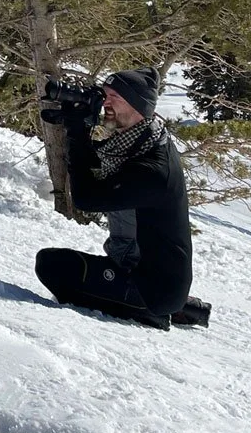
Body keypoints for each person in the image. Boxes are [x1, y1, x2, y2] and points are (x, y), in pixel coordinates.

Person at [34, 67, 209, 330]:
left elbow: (86, 198)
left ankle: (156, 312)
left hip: (149, 287)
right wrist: (76, 123)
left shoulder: (153, 170)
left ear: (137, 104)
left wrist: (77, 133)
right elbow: (96, 158)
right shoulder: (145, 140)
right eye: (104, 95)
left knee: (51, 265)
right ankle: (181, 305)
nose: (105, 102)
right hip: (147, 270)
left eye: (114, 96)